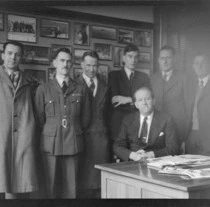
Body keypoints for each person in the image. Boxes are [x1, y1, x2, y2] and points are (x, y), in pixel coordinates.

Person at [0, 41, 39, 199]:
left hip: (24, 140)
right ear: (3, 55)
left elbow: (36, 111)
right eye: (9, 53)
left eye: (17, 54)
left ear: (21, 57)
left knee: (23, 186)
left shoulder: (30, 82)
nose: (13, 57)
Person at [34, 48, 91, 198]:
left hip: (73, 142)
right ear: (54, 63)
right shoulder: (43, 89)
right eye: (62, 60)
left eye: (68, 61)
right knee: (50, 186)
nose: (65, 64)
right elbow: (39, 119)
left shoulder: (81, 88)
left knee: (72, 188)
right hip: (51, 144)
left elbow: (85, 119)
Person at [75, 51, 111, 198]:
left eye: (95, 65)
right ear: (82, 64)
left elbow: (109, 114)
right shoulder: (73, 84)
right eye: (88, 65)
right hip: (80, 139)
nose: (91, 69)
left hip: (100, 139)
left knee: (99, 184)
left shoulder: (105, 86)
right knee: (82, 183)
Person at [113, 87, 179, 161]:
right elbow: (117, 146)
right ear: (136, 104)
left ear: (153, 101)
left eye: (147, 99)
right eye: (140, 100)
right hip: (133, 163)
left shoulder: (166, 119)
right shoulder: (128, 119)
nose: (144, 103)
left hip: (157, 162)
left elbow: (173, 148)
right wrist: (133, 155)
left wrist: (151, 154)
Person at [108, 44, 150, 143]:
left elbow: (147, 102)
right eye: (130, 56)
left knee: (138, 156)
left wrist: (129, 100)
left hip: (138, 125)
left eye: (136, 57)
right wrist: (138, 102)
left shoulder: (144, 77)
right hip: (119, 125)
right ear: (123, 58)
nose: (133, 60)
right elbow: (116, 102)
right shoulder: (114, 76)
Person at [151, 46, 188, 153]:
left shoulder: (184, 77)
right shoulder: (154, 78)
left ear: (174, 59)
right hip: (157, 130)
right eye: (162, 58)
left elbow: (188, 108)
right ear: (158, 60)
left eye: (168, 58)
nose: (165, 61)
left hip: (177, 130)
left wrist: (184, 138)